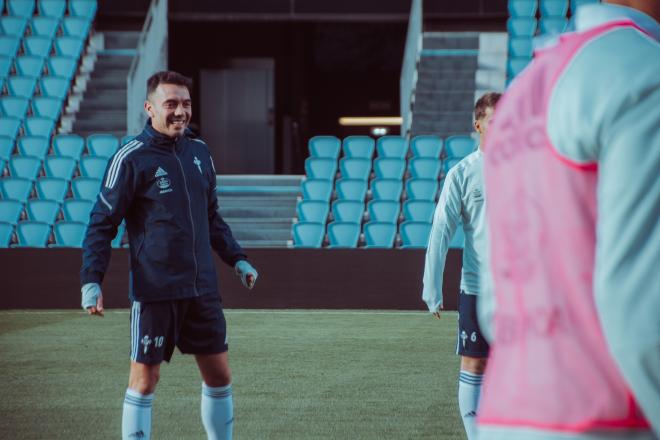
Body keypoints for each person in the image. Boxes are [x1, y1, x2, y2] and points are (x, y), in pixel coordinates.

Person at [477, 1, 659, 439]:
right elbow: (639, 309)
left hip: (507, 415)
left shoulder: (523, 88)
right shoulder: (644, 73)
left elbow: (495, 302)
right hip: (611, 422)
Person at [80, 71, 259, 440]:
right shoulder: (131, 157)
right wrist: (91, 280)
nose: (180, 111)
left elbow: (211, 217)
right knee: (145, 380)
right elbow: (101, 223)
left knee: (220, 375)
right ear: (150, 108)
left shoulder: (200, 152)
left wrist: (236, 258)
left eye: (186, 103)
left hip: (202, 289)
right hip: (155, 290)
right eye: (171, 104)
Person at [422, 92, 501, 440]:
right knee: (474, 364)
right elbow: (441, 230)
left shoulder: (529, 168)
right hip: (477, 288)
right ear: (478, 124)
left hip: (522, 290)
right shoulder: (462, 173)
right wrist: (432, 289)